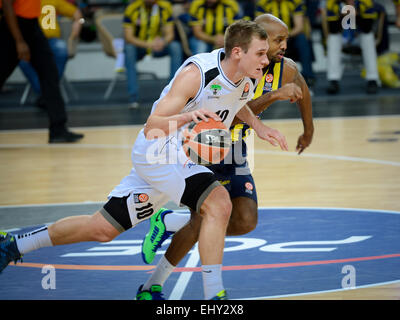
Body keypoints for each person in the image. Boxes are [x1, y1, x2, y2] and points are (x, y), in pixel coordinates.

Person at [0, 20, 289, 300]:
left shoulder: (247, 81)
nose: (267, 60)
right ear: (237, 52)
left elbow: (236, 105)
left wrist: (260, 127)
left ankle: (14, 245)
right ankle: (214, 295)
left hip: (177, 159)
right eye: (260, 53)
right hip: (159, 150)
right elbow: (152, 125)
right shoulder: (197, 74)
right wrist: (190, 117)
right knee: (218, 204)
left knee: (102, 229)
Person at [136, 13, 314, 300]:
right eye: (278, 40)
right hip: (206, 143)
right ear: (259, 41)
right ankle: (156, 286)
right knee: (203, 218)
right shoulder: (231, 67)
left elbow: (302, 91)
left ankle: (169, 223)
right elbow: (227, 117)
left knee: (246, 220)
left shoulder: (285, 68)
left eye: (286, 39)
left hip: (236, 148)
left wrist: (309, 130)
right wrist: (273, 96)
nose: (283, 45)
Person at [0, 0, 84, 143]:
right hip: (13, 26)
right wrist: (19, 41)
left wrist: (79, 20)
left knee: (50, 74)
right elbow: (7, 5)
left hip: (33, 25)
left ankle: (58, 130)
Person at [18, 0, 83, 101]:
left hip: (51, 40)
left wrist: (78, 23)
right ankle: (47, 92)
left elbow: (77, 14)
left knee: (61, 49)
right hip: (28, 40)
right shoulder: (23, 3)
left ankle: (46, 92)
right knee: (22, 59)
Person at [123, 0, 183, 109]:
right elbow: (128, 37)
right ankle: (133, 97)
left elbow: (170, 34)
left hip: (159, 46)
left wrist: (163, 42)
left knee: (175, 47)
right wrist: (148, 44)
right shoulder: (132, 9)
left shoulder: (165, 7)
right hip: (140, 47)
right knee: (129, 49)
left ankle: (172, 94)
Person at [255, 0, 316, 89]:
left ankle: (308, 77)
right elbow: (259, 28)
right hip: (270, 39)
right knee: (260, 40)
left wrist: (282, 38)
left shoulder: (295, 2)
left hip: (290, 37)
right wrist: (274, 38)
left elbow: (299, 27)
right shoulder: (263, 4)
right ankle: (261, 78)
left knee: (302, 39)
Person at [323, 0, 379, 94]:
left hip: (359, 35)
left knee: (368, 38)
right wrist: (343, 16)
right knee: (332, 39)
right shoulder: (332, 2)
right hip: (343, 36)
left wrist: (355, 15)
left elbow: (368, 27)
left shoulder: (366, 2)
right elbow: (333, 28)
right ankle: (333, 80)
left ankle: (372, 80)